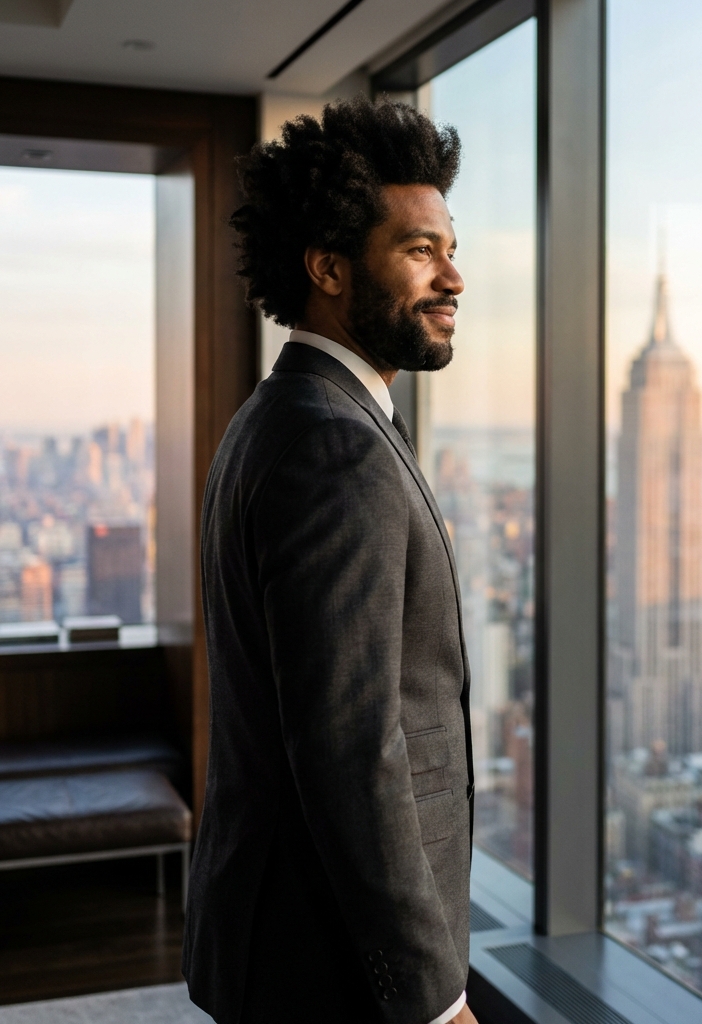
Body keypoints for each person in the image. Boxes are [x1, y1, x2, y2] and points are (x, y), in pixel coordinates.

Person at [183, 97, 477, 1024]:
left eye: (450, 247)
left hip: (290, 932)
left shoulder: (278, 415)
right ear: (330, 269)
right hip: (328, 958)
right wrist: (430, 998)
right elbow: (351, 750)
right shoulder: (331, 446)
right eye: (421, 250)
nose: (455, 277)